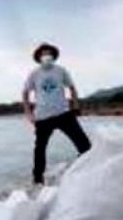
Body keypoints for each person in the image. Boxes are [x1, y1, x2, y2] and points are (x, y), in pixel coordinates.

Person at [22, 43, 91, 184]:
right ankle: (37, 179)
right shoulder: (34, 74)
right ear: (39, 57)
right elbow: (25, 93)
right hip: (42, 117)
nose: (46, 56)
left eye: (49, 53)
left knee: (84, 145)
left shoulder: (61, 71)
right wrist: (28, 113)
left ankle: (87, 169)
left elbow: (72, 88)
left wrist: (76, 106)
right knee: (39, 150)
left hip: (63, 114)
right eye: (43, 54)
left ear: (53, 56)